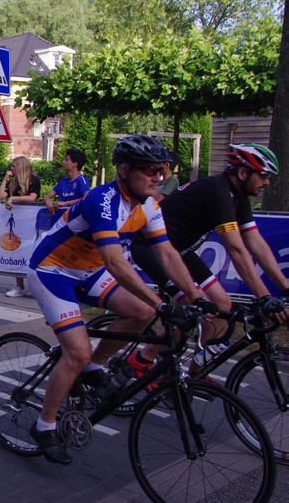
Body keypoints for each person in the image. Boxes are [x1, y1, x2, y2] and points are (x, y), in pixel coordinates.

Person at [25, 135, 208, 464]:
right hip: (52, 270)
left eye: (162, 170)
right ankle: (45, 425)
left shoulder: (148, 205)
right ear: (125, 171)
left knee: (141, 311)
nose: (158, 177)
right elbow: (115, 261)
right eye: (150, 170)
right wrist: (163, 305)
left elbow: (167, 253)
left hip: (89, 271)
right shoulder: (103, 200)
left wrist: (195, 297)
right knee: (77, 352)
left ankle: (94, 367)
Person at [131, 143, 289, 376]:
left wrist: (285, 287)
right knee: (194, 309)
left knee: (222, 306)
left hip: (181, 251)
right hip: (153, 250)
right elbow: (236, 249)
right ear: (243, 173)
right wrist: (263, 296)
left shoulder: (239, 197)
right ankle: (143, 359)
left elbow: (256, 243)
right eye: (264, 175)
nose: (267, 182)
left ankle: (196, 375)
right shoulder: (219, 191)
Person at [0, 155, 41, 297]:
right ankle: (19, 285)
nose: (11, 169)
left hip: (29, 220)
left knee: (30, 251)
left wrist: (13, 198)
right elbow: (0, 196)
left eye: (14, 166)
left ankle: (34, 285)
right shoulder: (14, 182)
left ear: (21, 167)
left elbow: (32, 197)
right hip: (16, 220)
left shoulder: (34, 179)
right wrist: (5, 178)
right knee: (16, 250)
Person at [42, 149, 89, 214]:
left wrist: (65, 203)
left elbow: (87, 197)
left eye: (66, 160)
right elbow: (46, 196)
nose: (63, 162)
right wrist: (48, 201)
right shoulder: (63, 181)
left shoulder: (81, 180)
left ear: (74, 164)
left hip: (74, 217)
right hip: (60, 217)